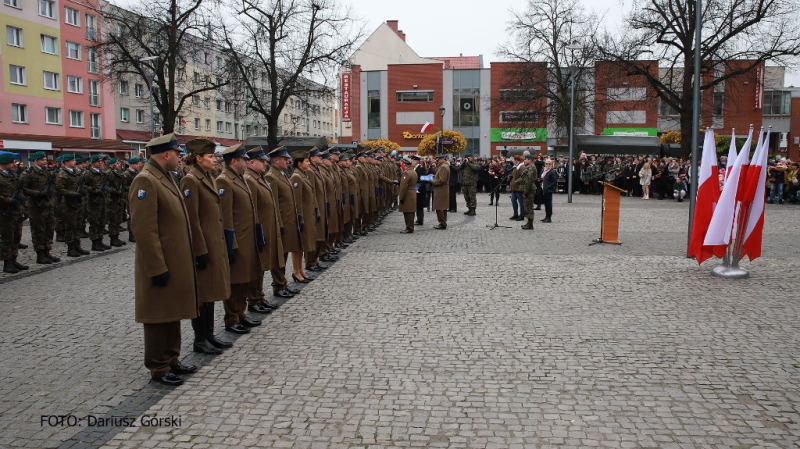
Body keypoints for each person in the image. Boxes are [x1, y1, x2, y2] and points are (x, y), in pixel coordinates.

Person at [128, 133, 198, 387]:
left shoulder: (165, 176)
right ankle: (158, 365)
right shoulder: (146, 180)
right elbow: (144, 230)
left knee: (173, 310)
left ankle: (172, 359)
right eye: (177, 154)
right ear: (166, 154)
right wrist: (156, 267)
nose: (180, 159)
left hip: (175, 259)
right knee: (158, 315)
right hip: (160, 262)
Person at [180, 138, 233, 354]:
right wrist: (199, 250)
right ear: (198, 158)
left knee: (211, 291)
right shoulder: (191, 180)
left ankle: (209, 335)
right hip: (203, 246)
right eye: (211, 156)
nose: (215, 159)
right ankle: (200, 339)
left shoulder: (207, 177)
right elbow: (192, 219)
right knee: (202, 295)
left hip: (213, 243)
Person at [216, 144, 263, 335]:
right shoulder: (224, 181)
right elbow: (225, 216)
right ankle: (232, 318)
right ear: (233, 161)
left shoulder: (240, 179)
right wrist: (231, 243)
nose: (246, 163)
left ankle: (241, 314)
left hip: (247, 238)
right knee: (235, 281)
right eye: (244, 160)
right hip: (237, 240)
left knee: (245, 278)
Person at [243, 147, 284, 312]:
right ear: (251, 162)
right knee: (257, 265)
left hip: (266, 227)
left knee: (261, 265)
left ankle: (259, 297)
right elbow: (251, 209)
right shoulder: (250, 180)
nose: (265, 164)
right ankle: (254, 299)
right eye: (262, 161)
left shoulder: (258, 178)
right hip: (258, 228)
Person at [266, 146, 302, 299]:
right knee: (279, 256)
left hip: (287, 222)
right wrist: (279, 224)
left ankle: (283, 283)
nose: (288, 161)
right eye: (285, 159)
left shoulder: (281, 174)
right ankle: (278, 285)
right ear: (276, 160)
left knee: (285, 254)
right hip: (281, 223)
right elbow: (274, 203)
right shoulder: (271, 177)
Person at [22, 151, 60, 264]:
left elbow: (54, 185)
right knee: (38, 230)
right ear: (36, 161)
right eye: (42, 159)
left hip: (48, 205)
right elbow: (24, 189)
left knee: (49, 229)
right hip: (36, 207)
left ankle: (47, 251)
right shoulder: (30, 173)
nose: (45, 161)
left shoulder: (48, 172)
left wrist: (51, 191)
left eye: (45, 159)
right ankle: (40, 254)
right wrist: (38, 193)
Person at [289, 150, 316, 283]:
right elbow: (296, 200)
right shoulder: (296, 177)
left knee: (302, 245)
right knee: (297, 245)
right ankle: (295, 271)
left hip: (306, 215)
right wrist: (300, 218)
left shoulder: (303, 175)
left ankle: (300, 270)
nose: (308, 163)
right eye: (306, 161)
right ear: (299, 163)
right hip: (301, 216)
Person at [0, 152, 28, 273]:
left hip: (16, 211)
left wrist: (24, 206)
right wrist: (8, 200)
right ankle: (7, 263)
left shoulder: (14, 175)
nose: (14, 164)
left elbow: (20, 192)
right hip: (5, 212)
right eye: (11, 162)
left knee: (16, 237)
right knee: (7, 238)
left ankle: (14, 259)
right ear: (3, 163)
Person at [122, 157, 142, 242]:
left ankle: (136, 233)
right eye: (136, 164)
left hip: (138, 196)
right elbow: (124, 186)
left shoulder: (137, 173)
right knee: (132, 216)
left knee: (137, 216)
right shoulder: (127, 174)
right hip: (130, 197)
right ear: (131, 165)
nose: (138, 165)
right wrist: (134, 188)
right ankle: (131, 234)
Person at [398, 155, 419, 233]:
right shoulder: (413, 172)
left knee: (407, 212)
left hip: (407, 194)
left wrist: (401, 197)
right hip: (412, 192)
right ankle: (410, 226)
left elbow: (403, 186)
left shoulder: (406, 173)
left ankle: (409, 227)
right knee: (411, 211)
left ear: (405, 165)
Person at [431, 155, 451, 230]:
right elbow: (441, 176)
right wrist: (434, 176)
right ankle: (443, 222)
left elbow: (442, 180)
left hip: (441, 189)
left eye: (438, 160)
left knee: (439, 207)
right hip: (443, 189)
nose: (437, 161)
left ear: (442, 159)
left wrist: (432, 181)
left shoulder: (443, 167)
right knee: (443, 207)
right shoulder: (444, 166)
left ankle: (442, 223)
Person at [520, 154, 537, 230]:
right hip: (528, 188)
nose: (525, 160)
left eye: (526, 159)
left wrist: (526, 190)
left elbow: (529, 180)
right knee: (527, 206)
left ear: (529, 160)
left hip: (529, 189)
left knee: (529, 206)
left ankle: (530, 224)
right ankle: (528, 222)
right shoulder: (529, 167)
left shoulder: (531, 167)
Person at [541, 159, 558, 223]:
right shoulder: (544, 171)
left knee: (548, 204)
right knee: (545, 203)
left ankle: (549, 217)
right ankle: (546, 216)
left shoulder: (552, 171)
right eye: (546, 163)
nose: (547, 165)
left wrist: (548, 187)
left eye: (549, 164)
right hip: (544, 189)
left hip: (548, 190)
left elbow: (554, 181)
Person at [509, 155, 525, 220]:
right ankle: (515, 214)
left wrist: (517, 181)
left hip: (519, 187)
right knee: (513, 200)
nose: (514, 161)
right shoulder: (516, 167)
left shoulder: (521, 167)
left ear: (517, 160)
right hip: (514, 187)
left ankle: (522, 215)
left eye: (515, 160)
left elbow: (523, 176)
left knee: (521, 202)